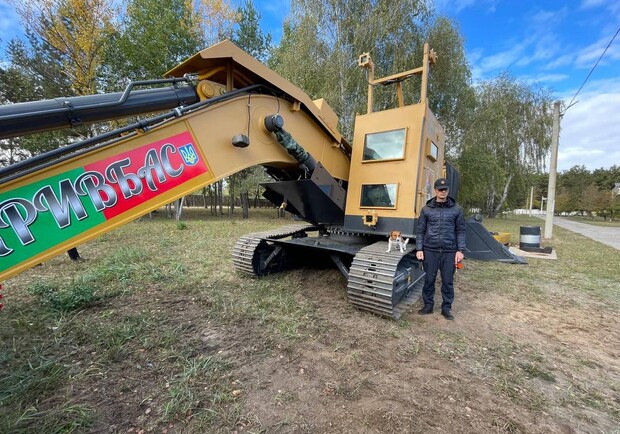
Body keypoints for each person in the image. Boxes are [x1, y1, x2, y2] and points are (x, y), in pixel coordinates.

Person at [415, 178, 466, 320]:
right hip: (430, 250)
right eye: (440, 189)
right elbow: (420, 231)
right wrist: (419, 249)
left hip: (449, 251)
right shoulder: (426, 209)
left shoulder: (457, 209)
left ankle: (446, 308)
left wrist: (460, 250)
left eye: (445, 189)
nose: (443, 192)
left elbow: (461, 231)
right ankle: (428, 306)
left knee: (447, 281)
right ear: (435, 190)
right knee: (429, 279)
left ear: (448, 190)